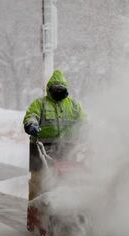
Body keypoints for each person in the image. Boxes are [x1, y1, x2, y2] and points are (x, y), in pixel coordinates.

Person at [23, 70, 86, 202]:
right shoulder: (40, 104)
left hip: (66, 148)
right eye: (55, 89)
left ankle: (63, 206)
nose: (58, 92)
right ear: (49, 89)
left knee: (66, 180)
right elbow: (31, 116)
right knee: (38, 181)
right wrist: (31, 125)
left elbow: (83, 122)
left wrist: (87, 132)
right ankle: (35, 207)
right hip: (40, 149)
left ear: (66, 90)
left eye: (61, 90)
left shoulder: (74, 105)